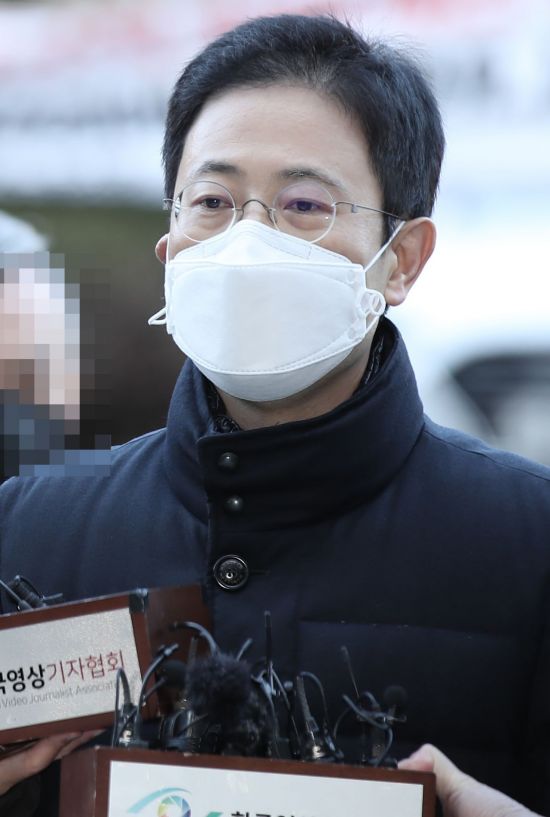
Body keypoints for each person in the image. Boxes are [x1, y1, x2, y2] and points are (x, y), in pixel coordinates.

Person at [1, 13, 549, 817]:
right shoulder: (28, 531)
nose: (249, 241)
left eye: (303, 204)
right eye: (213, 200)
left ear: (402, 259)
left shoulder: (527, 544)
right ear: (169, 246)